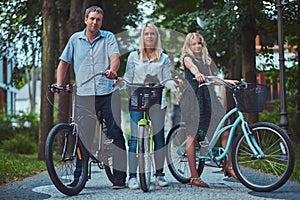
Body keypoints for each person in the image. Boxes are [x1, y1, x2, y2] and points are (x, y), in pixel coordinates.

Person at [53, 6, 127, 189]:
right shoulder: (75, 40)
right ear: (85, 19)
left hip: (107, 93)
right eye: (92, 18)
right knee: (82, 137)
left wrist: (113, 70)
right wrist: (59, 84)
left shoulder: (108, 37)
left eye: (98, 20)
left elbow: (115, 57)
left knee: (115, 133)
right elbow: (63, 63)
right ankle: (80, 177)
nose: (95, 22)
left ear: (101, 22)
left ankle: (119, 178)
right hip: (84, 95)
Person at [122, 23, 182, 190]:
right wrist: (120, 83)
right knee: (135, 139)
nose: (149, 36)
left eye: (152, 34)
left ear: (157, 37)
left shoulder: (163, 57)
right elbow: (127, 78)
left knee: (158, 138)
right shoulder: (134, 56)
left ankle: (159, 175)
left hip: (156, 101)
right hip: (137, 100)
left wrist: (174, 84)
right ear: (143, 37)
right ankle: (132, 177)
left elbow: (167, 79)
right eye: (146, 34)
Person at [179, 32, 238, 188]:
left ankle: (228, 166)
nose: (197, 46)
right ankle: (194, 176)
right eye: (194, 44)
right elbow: (192, 68)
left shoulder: (205, 60)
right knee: (192, 134)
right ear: (189, 46)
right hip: (193, 98)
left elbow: (212, 79)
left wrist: (227, 82)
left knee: (226, 125)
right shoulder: (187, 58)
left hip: (209, 97)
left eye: (200, 43)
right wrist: (197, 73)